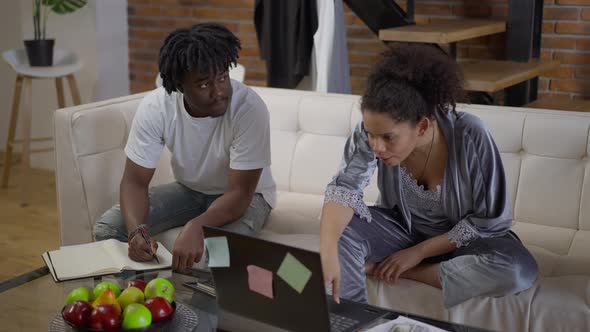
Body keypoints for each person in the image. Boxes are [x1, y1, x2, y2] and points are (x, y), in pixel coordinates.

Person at [319, 43, 538, 308]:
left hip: (467, 244)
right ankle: (353, 320)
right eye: (370, 134)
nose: (376, 146)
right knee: (339, 230)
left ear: (422, 126)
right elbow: (344, 189)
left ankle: (397, 270)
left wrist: (416, 255)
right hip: (402, 232)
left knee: (515, 269)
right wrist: (328, 248)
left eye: (388, 137)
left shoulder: (470, 135)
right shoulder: (371, 132)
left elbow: (488, 222)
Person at [94, 23, 276, 272]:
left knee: (221, 254)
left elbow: (240, 194)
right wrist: (137, 231)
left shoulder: (248, 109)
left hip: (248, 196)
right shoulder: (157, 107)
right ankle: (143, 301)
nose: (219, 92)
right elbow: (134, 182)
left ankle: (207, 312)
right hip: (190, 190)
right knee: (108, 229)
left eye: (222, 78)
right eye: (204, 85)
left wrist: (196, 226)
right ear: (180, 86)